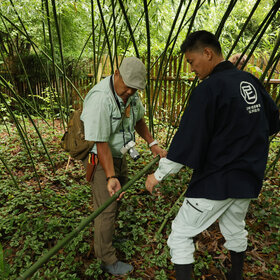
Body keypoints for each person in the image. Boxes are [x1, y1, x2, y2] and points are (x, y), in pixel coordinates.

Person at [145, 30, 280, 280]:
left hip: (216, 180)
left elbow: (186, 142)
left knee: (180, 234)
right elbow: (272, 122)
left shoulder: (208, 89)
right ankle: (235, 276)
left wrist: (157, 175)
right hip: (248, 178)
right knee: (234, 227)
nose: (191, 69)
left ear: (207, 53)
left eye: (191, 62)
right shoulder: (249, 81)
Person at [81, 57, 167, 276]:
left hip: (120, 154)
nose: (130, 91)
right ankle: (106, 258)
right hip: (100, 160)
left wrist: (152, 143)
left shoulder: (131, 95)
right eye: (127, 86)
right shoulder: (101, 98)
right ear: (116, 73)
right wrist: (110, 176)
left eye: (135, 88)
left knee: (116, 199)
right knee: (106, 208)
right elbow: (101, 143)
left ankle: (106, 237)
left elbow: (138, 120)